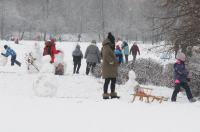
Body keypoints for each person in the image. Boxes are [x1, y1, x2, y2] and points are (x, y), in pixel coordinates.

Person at [101, 32, 119, 99]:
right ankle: (105, 95)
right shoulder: (106, 47)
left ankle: (113, 94)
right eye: (113, 40)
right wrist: (111, 62)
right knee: (107, 81)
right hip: (108, 67)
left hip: (111, 68)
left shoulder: (109, 46)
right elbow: (105, 55)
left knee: (113, 81)